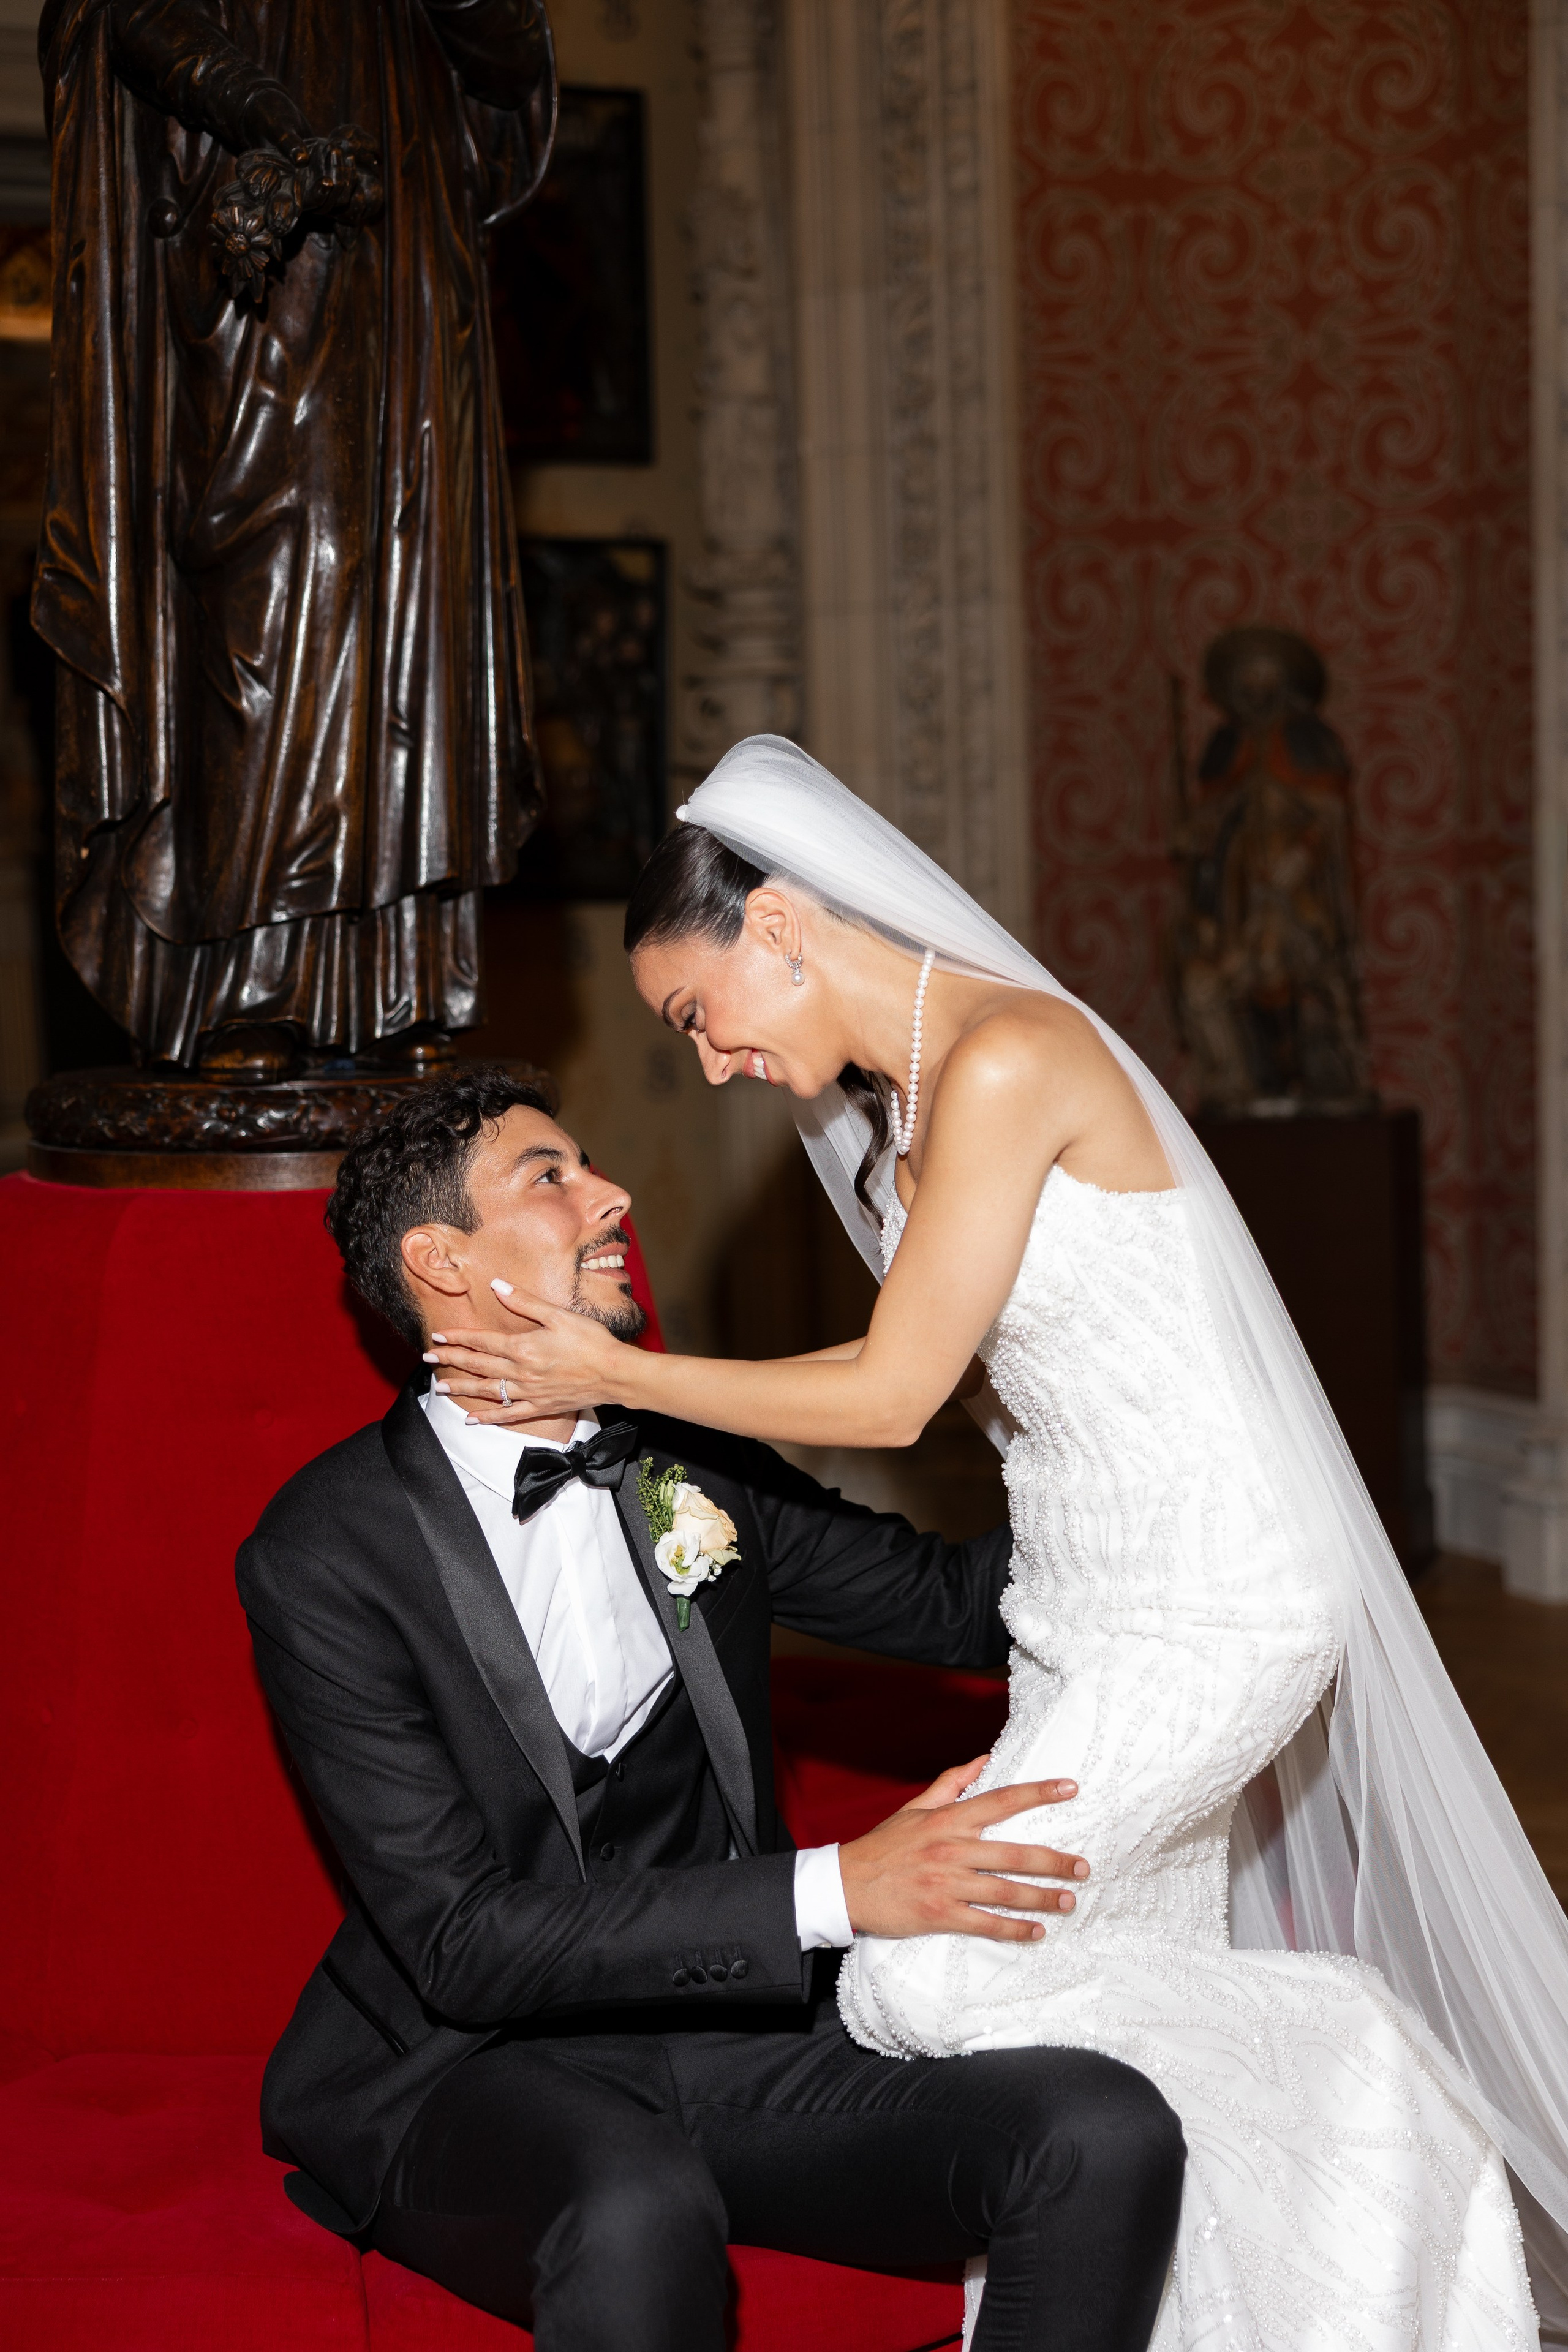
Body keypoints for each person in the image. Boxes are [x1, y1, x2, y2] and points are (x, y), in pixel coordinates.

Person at [426, 737, 1568, 2350]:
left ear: (781, 928)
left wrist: (606, 1376)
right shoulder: (900, 1104)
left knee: (937, 1981)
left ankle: (1379, 2082)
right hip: (1078, 1610)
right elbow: (983, 1376)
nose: (711, 1063)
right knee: (1086, 2041)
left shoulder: (1012, 1059)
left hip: (1217, 1603)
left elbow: (893, 1395)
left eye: (694, 1014)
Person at [237, 1065, 1185, 2352]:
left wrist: (1153, 1429)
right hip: (474, 2065)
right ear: (441, 1261)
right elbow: (463, 1943)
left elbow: (962, 1608)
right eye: (551, 1176)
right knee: (634, 2208)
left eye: (588, 1165)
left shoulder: (689, 1461)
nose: (610, 1194)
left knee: (1099, 2132)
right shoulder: (324, 1549)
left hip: (736, 2037)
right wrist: (841, 1888)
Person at [34, 1, 554, 1075]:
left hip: (410, 233)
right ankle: (249, 974)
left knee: (411, 604)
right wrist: (265, 115)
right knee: (268, 599)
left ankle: (405, 975)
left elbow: (508, 58)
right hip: (252, 219)